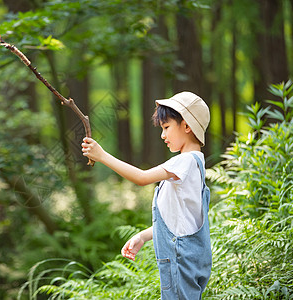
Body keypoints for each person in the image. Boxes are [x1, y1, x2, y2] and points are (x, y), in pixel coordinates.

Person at [81, 91, 212, 299]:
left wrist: (102, 155)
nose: (162, 135)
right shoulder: (194, 165)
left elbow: (142, 178)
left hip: (179, 262)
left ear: (187, 126)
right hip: (186, 261)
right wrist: (143, 236)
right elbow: (178, 221)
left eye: (166, 127)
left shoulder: (184, 162)